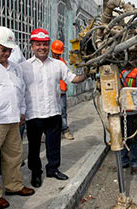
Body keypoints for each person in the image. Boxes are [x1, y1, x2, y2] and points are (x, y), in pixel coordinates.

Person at [20, 28, 87, 188]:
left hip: (53, 113)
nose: (42, 47)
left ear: (48, 45)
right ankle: (36, 173)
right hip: (33, 115)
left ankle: (53, 169)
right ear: (32, 46)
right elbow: (18, 90)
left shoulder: (58, 65)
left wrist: (87, 73)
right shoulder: (24, 67)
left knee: (54, 145)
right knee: (34, 148)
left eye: (44, 44)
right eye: (38, 44)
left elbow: (73, 79)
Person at [0, 26, 35, 209]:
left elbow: (20, 91)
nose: (7, 53)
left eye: (9, 50)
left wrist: (22, 111)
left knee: (14, 155)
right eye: (3, 49)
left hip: (13, 119)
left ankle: (14, 185)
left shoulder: (15, 68)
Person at [119, 64, 137, 175]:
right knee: (122, 138)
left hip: (134, 113)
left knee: (135, 139)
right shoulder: (120, 74)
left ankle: (135, 163)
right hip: (123, 112)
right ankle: (124, 161)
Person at [51, 40, 74, 140]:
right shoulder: (48, 62)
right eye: (54, 53)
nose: (56, 55)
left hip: (61, 91)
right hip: (51, 92)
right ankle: (49, 131)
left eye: (57, 53)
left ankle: (64, 130)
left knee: (62, 112)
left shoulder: (62, 63)